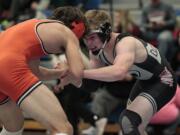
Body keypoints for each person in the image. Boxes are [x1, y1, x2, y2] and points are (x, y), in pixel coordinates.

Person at [60, 9, 177, 135]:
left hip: (163, 80)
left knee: (128, 121)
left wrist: (79, 73)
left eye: (92, 37)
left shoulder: (125, 43)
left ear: (105, 32)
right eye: (85, 38)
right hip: (144, 82)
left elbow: (118, 72)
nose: (89, 43)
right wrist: (70, 77)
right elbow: (93, 85)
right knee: (135, 128)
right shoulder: (97, 50)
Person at [0, 6, 88, 135]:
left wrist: (60, 73)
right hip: (9, 66)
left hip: (7, 67)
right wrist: (69, 72)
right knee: (63, 128)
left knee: (14, 128)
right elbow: (77, 74)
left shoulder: (34, 27)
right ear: (77, 27)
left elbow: (36, 73)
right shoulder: (67, 33)